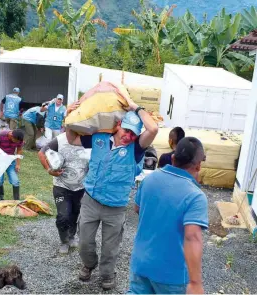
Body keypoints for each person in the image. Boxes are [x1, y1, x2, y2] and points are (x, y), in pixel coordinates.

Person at [66, 98, 158, 290]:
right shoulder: (99, 139)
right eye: (126, 130)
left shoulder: (137, 149)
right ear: (118, 125)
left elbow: (153, 129)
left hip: (115, 208)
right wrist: (69, 117)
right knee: (84, 242)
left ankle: (107, 274)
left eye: (134, 133)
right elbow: (72, 139)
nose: (129, 136)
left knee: (110, 247)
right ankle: (89, 264)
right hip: (90, 201)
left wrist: (135, 107)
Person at [128, 137, 208, 295]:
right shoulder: (195, 196)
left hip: (141, 263)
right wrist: (195, 282)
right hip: (171, 274)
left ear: (172, 157)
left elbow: (137, 208)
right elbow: (192, 237)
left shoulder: (149, 179)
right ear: (198, 165)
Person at [38, 131, 90, 254]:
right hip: (61, 186)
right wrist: (49, 170)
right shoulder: (59, 140)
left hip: (81, 187)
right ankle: (64, 241)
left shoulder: (89, 139)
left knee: (75, 213)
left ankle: (71, 236)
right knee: (63, 216)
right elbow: (41, 153)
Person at [0, 129, 24, 201]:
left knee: (15, 181)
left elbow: (19, 149)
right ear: (11, 136)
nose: (18, 142)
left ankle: (16, 201)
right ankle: (0, 199)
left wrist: (18, 164)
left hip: (10, 161)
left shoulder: (19, 138)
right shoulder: (1, 135)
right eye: (16, 141)